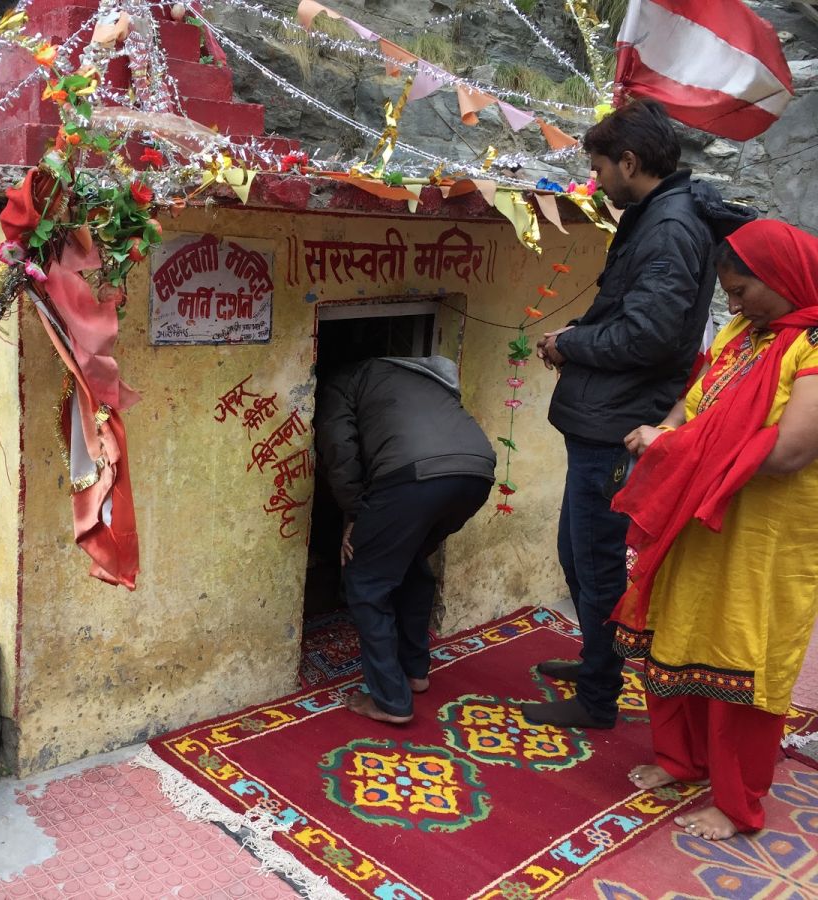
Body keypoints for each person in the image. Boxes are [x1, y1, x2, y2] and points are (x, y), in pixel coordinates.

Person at [528, 100, 754, 729]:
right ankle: (595, 662)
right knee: (578, 555)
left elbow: (650, 335)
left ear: (629, 162)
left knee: (596, 560)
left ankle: (599, 696)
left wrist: (569, 343)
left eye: (600, 169)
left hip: (617, 421)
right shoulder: (659, 218)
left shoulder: (668, 228)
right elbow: (632, 316)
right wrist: (578, 333)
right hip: (604, 412)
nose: (597, 182)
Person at [610, 219, 818, 840]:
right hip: (698, 515)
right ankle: (684, 759)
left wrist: (675, 450)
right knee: (676, 630)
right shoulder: (742, 332)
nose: (732, 304)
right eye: (726, 292)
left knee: (743, 658)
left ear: (784, 279)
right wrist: (669, 432)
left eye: (742, 290)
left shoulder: (811, 346)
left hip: (764, 539)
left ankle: (736, 803)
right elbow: (693, 400)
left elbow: (790, 450)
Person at [314, 356, 495, 724]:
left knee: (365, 579)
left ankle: (390, 700)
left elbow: (339, 447)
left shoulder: (343, 379)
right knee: (410, 560)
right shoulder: (425, 381)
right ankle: (415, 671)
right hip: (476, 474)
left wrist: (355, 514)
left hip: (412, 476)